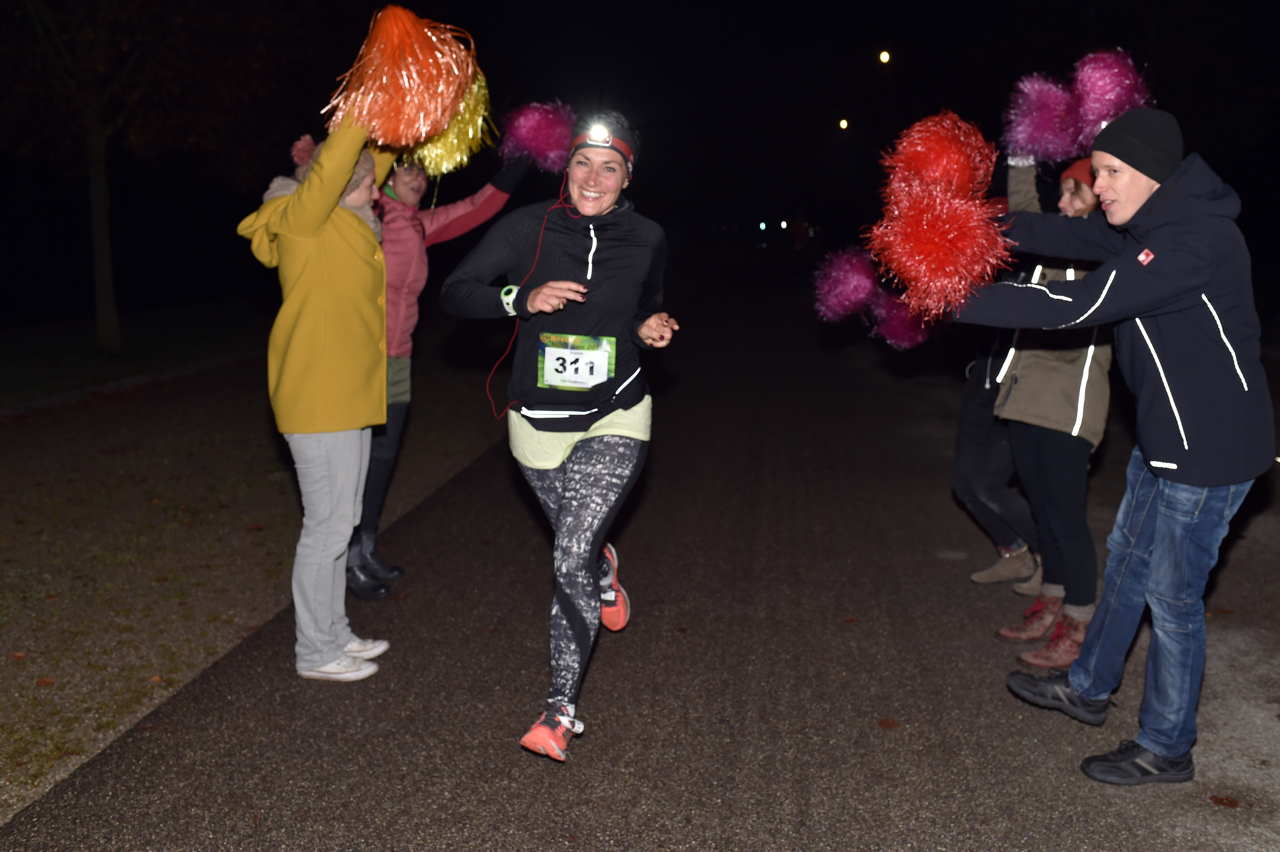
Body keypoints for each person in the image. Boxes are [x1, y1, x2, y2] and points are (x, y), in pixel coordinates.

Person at [956, 108, 1274, 784]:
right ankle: (1089, 688)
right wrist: (968, 228)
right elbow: (1055, 232)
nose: (1099, 187)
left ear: (1153, 175)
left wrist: (954, 296)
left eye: (1110, 173)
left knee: (1173, 598)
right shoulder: (1146, 227)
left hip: (1209, 452)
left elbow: (1075, 307)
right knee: (1128, 565)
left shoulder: (1196, 241)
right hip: (1166, 438)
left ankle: (1167, 746)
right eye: (1096, 173)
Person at [439, 111, 678, 761]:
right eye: (582, 162)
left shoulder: (648, 235)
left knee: (567, 554)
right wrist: (520, 299)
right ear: (564, 165)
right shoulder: (526, 228)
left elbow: (644, 305)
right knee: (583, 547)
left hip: (615, 412)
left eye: (610, 166)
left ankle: (557, 710)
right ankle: (604, 565)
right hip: (536, 424)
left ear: (629, 174)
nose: (593, 178)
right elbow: (455, 291)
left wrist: (652, 325)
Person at [237, 119, 396, 681]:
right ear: (338, 183)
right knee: (326, 526)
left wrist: (399, 116)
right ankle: (313, 651)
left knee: (343, 522)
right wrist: (361, 105)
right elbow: (338, 167)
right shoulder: (306, 221)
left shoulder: (346, 222)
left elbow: (364, 164)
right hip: (318, 397)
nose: (379, 187)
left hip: (347, 397)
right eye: (368, 182)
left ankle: (333, 633)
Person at [344, 155, 529, 601]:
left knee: (383, 458)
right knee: (352, 463)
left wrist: (522, 157)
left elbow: (478, 206)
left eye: (423, 171)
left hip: (398, 360)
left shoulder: (417, 224)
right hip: (356, 360)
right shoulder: (364, 218)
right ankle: (346, 558)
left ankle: (365, 548)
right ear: (383, 179)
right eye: (407, 169)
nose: (419, 178)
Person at [992, 158, 1113, 669]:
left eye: (1073, 193)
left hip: (1069, 405)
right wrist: (1021, 154)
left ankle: (1080, 626)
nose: (1061, 204)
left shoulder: (1099, 244)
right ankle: (1056, 602)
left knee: (1067, 520)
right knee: (1043, 513)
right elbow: (1024, 212)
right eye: (1060, 192)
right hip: (1024, 397)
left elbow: (1040, 218)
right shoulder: (1054, 244)